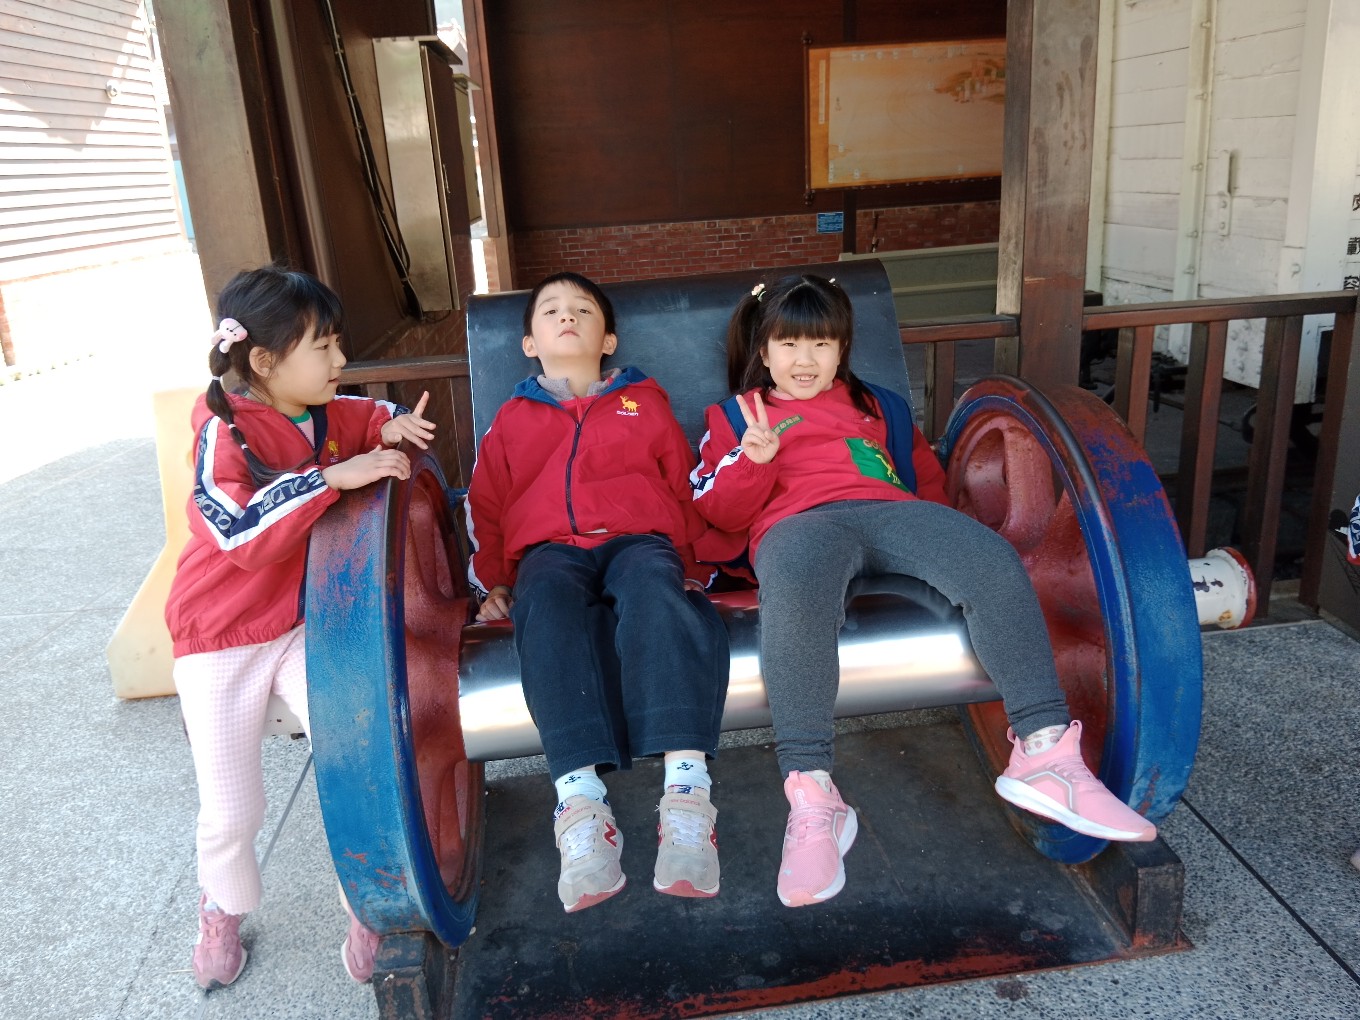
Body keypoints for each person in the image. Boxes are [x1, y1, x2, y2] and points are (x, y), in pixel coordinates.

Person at [690, 273, 1157, 909]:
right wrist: (753, 459)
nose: (805, 359)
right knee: (795, 593)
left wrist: (949, 545)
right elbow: (716, 510)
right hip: (799, 526)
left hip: (892, 513)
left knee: (988, 558)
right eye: (790, 344)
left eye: (821, 344)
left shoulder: (877, 405)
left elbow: (926, 484)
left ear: (842, 348)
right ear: (765, 352)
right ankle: (813, 796)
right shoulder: (735, 416)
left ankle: (1045, 755)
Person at [165, 266, 437, 988]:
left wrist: (391, 425)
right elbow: (235, 531)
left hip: (299, 628)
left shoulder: (324, 410)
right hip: (219, 636)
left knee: (359, 759)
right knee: (233, 807)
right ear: (264, 361)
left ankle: (366, 903)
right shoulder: (221, 431)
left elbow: (366, 413)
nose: (341, 360)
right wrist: (328, 479)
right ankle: (222, 906)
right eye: (324, 347)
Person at [466, 271, 729, 912]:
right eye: (551, 310)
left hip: (639, 540)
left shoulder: (645, 403)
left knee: (658, 594)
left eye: (583, 310)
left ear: (607, 339)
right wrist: (495, 580)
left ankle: (687, 795)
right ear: (529, 344)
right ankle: (580, 807)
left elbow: (681, 486)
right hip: (549, 552)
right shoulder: (512, 419)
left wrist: (692, 564)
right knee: (545, 609)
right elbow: (488, 506)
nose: (567, 317)